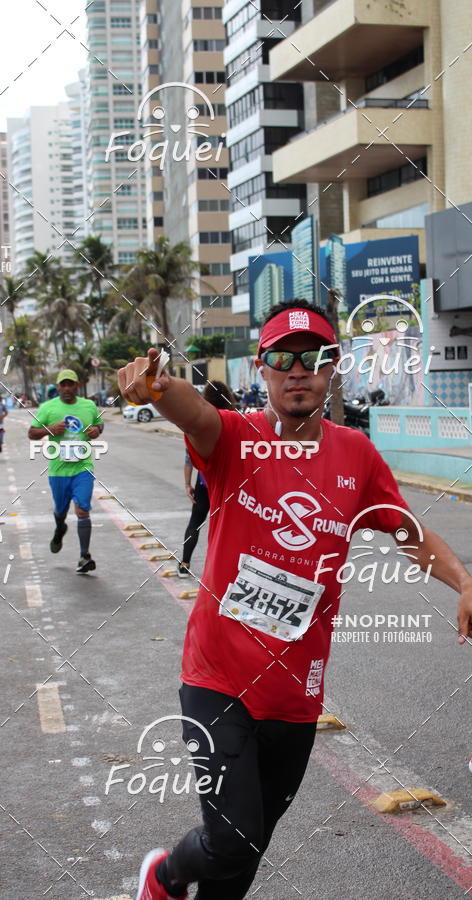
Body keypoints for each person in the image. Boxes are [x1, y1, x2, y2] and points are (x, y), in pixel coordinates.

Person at [118, 299, 472, 900]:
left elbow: (406, 532)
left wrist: (463, 581)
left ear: (332, 368)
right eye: (282, 358)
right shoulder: (237, 438)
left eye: (313, 357)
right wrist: (157, 388)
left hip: (296, 698)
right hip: (218, 680)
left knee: (247, 849)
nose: (298, 370)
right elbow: (193, 413)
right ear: (263, 368)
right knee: (230, 840)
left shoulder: (356, 454)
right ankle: (164, 876)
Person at [27, 369, 104, 574]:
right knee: (61, 511)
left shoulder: (88, 406)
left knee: (82, 510)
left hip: (83, 468)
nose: (67, 388)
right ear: (58, 387)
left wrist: (97, 431)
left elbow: (99, 424)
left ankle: (84, 556)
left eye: (71, 384)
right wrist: (49, 430)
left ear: (77, 385)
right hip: (58, 472)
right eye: (64, 384)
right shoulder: (48, 408)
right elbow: (32, 433)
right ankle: (60, 528)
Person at [178, 381, 235, 578]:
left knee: (195, 522)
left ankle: (184, 563)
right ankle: (223, 570)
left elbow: (189, 457)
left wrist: (187, 484)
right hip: (229, 483)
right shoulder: (235, 420)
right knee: (226, 528)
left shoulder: (201, 423)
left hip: (204, 481)